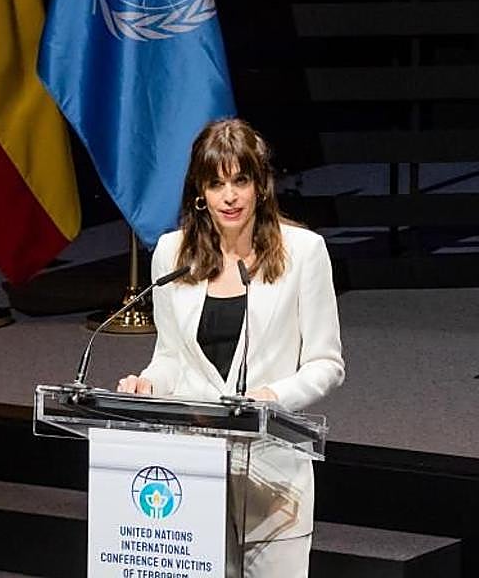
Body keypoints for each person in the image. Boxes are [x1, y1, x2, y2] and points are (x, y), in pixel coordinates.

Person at [117, 118, 345, 577]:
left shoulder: (304, 251)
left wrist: (273, 399)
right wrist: (147, 384)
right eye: (217, 183)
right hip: (193, 470)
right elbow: (171, 357)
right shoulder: (170, 253)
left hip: (273, 473)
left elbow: (326, 363)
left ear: (261, 186)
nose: (230, 196)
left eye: (241, 180)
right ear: (200, 191)